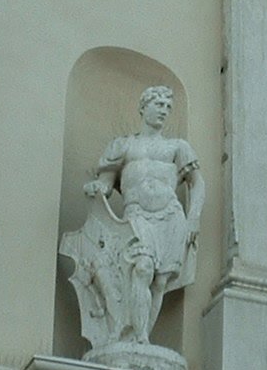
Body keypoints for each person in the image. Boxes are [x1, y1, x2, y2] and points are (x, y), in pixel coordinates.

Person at [81, 85, 204, 345]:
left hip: (170, 216)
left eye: (168, 107)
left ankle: (142, 338)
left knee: (159, 282)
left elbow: (197, 183)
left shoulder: (177, 147)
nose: (164, 111)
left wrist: (194, 217)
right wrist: (98, 187)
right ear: (143, 107)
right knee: (142, 267)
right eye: (158, 105)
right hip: (137, 214)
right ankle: (137, 336)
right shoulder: (124, 145)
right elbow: (107, 181)